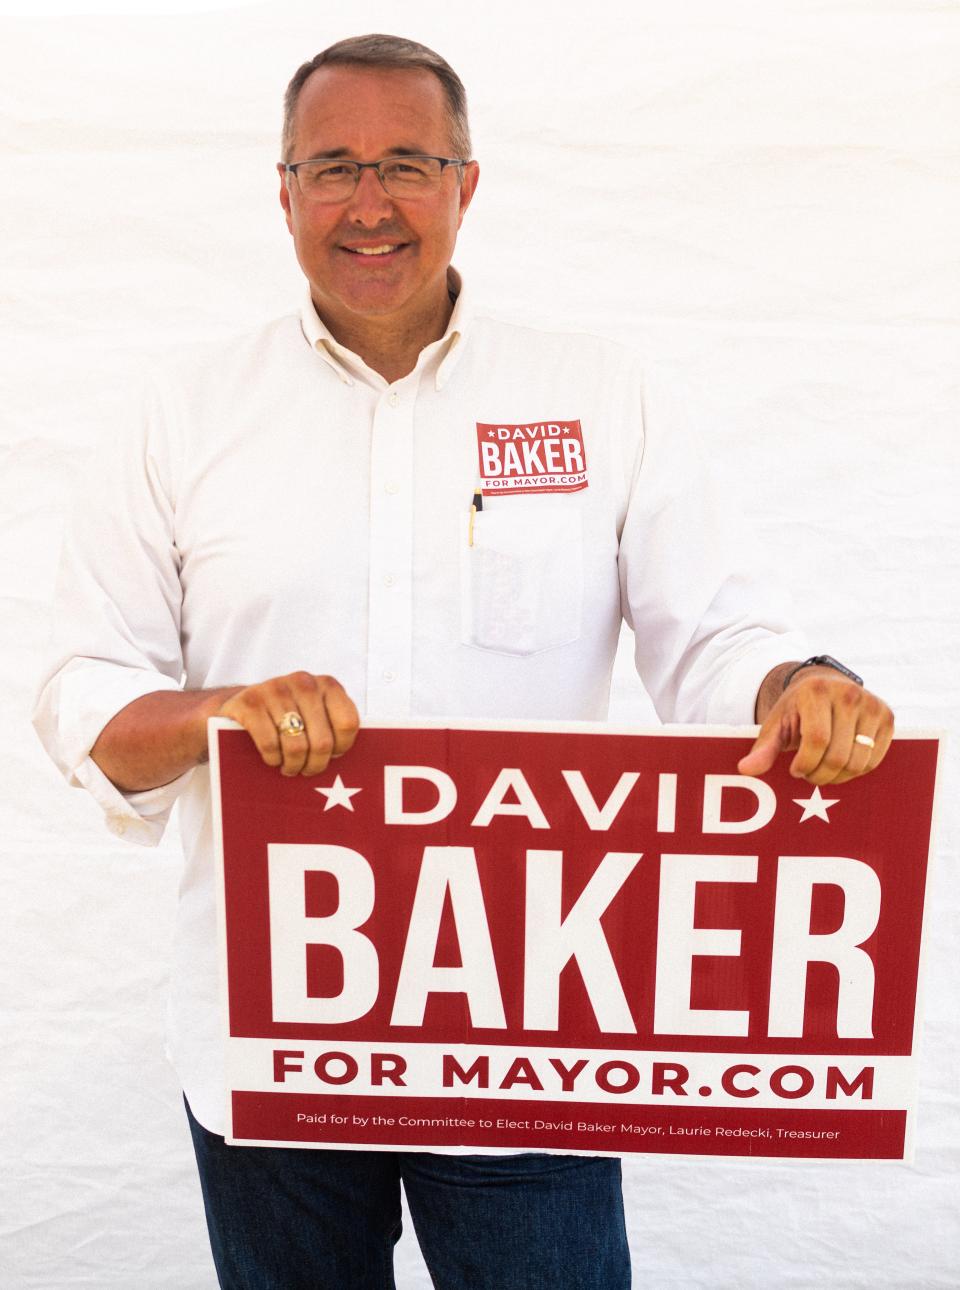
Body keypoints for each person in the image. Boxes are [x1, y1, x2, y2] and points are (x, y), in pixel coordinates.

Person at [32, 32, 894, 1290]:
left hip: (527, 1027)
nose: (369, 203)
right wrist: (228, 709)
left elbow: (712, 633)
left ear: (466, 185)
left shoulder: (599, 394)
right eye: (332, 167)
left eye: (406, 164)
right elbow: (79, 691)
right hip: (272, 1035)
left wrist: (792, 685)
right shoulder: (182, 412)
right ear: (282, 193)